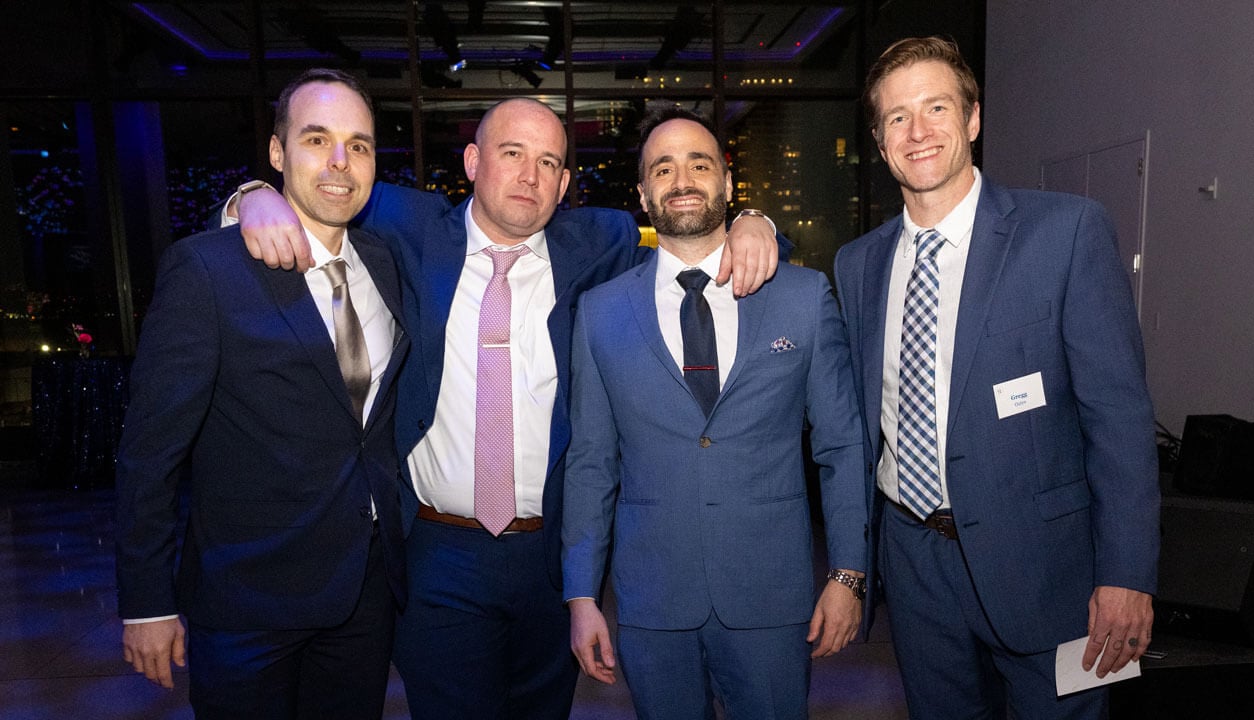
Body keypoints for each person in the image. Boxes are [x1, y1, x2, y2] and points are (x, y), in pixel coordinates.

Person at [229, 97, 783, 719]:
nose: (530, 174)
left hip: (549, 557)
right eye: (512, 154)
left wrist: (754, 219)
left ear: (565, 182)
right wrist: (252, 194)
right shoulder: (407, 225)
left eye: (549, 161)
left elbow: (704, 244)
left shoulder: (602, 241)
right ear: (472, 161)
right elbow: (323, 186)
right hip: (437, 551)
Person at [833, 37, 1160, 718]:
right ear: (878, 138)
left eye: (936, 107)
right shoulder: (857, 265)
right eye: (897, 117)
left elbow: (1119, 420)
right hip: (914, 564)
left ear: (974, 118)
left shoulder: (1065, 233)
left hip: (1050, 569)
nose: (917, 132)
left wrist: (1126, 575)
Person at [114, 68, 407, 719]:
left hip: (363, 595)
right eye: (316, 139)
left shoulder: (385, 262)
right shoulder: (208, 270)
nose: (340, 162)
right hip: (248, 602)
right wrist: (147, 601)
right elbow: (149, 451)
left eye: (358, 145)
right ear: (277, 153)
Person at [562, 104, 868, 720]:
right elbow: (592, 463)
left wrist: (849, 574)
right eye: (664, 167)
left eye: (699, 164)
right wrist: (580, 595)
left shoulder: (803, 298)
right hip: (652, 602)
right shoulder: (600, 312)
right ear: (643, 191)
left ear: (727, 183)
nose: (683, 179)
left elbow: (842, 446)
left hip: (772, 597)